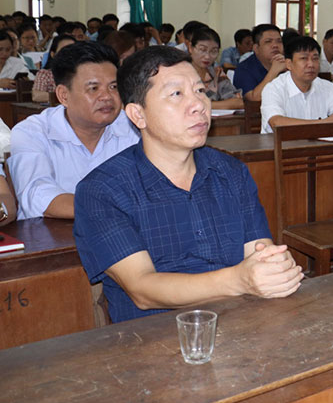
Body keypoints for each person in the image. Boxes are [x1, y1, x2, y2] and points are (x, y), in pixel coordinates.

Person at [74, 46, 303, 323]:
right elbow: (142, 289)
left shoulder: (231, 172)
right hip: (150, 337)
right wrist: (240, 279)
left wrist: (273, 270)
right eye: (176, 94)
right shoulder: (103, 190)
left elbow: (259, 253)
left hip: (239, 324)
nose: (199, 105)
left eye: (200, 91)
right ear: (138, 115)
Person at [9, 41, 138, 219]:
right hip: (53, 234)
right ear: (63, 95)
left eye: (113, 87)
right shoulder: (31, 132)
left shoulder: (135, 127)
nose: (107, 96)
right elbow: (37, 195)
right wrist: (113, 208)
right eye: (93, 88)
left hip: (125, 230)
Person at [261, 36, 333, 133]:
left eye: (315, 58)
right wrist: (322, 125)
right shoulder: (273, 88)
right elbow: (276, 122)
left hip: (318, 144)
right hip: (279, 144)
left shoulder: (326, 87)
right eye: (304, 58)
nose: (311, 64)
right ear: (289, 64)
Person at [190, 28, 242, 110]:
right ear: (191, 48)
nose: (207, 56)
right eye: (202, 50)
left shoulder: (217, 73)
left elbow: (238, 102)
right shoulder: (179, 73)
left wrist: (204, 105)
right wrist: (220, 105)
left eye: (214, 51)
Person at [233, 23, 286, 101]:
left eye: (279, 41)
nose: (275, 45)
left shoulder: (288, 65)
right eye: (268, 41)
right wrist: (274, 71)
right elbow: (253, 99)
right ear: (256, 48)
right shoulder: (244, 69)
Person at [32, 34, 75, 102]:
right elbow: (36, 96)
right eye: (63, 51)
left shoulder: (81, 74)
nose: (68, 54)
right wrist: (65, 96)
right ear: (53, 54)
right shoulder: (45, 74)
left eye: (73, 51)